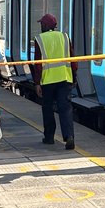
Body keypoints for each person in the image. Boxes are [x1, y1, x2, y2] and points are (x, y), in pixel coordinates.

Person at [31, 12, 77, 149]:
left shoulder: (39, 39)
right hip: (64, 78)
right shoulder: (64, 37)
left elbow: (38, 64)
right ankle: (69, 136)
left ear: (45, 26)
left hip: (48, 81)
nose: (40, 26)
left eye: (41, 24)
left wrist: (37, 83)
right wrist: (74, 77)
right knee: (65, 108)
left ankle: (49, 137)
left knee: (48, 109)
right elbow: (73, 59)